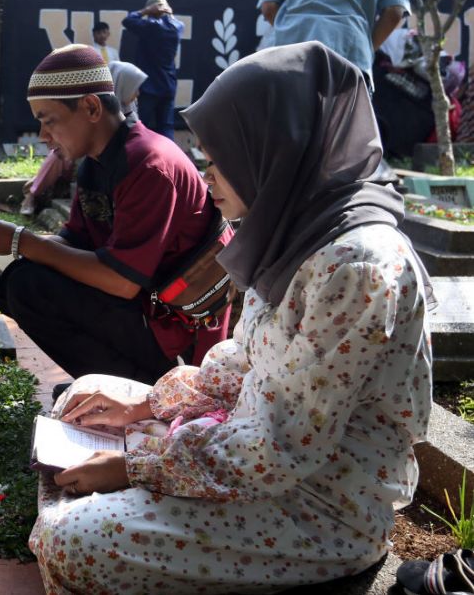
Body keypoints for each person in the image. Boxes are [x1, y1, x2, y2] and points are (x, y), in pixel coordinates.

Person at [29, 41, 433, 595]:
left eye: (219, 160)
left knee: (70, 540)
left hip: (318, 506)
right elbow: (243, 361)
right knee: (92, 396)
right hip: (251, 447)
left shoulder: (355, 266)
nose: (206, 175)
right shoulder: (297, 230)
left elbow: (283, 446)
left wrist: (136, 467)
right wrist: (146, 406)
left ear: (272, 152)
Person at [0, 44, 230, 386]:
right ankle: (106, 382)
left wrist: (20, 240)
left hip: (175, 332)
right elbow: (74, 242)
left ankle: (142, 389)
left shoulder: (150, 163)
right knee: (0, 276)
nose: (44, 136)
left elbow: (122, 280)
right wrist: (0, 245)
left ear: (90, 107)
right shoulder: (95, 164)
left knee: (31, 286)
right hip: (140, 310)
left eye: (49, 120)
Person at [258, 0, 408, 86]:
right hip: (352, 52)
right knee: (344, 122)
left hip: (290, 53)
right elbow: (394, 12)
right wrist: (365, 49)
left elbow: (269, 7)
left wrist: (290, 33)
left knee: (286, 121)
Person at [121, 0, 184, 139]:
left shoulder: (151, 27)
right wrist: (169, 12)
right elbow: (174, 21)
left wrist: (146, 11)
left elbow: (128, 20)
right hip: (168, 85)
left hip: (148, 86)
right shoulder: (178, 27)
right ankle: (170, 160)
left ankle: (141, 158)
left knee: (142, 126)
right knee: (166, 127)